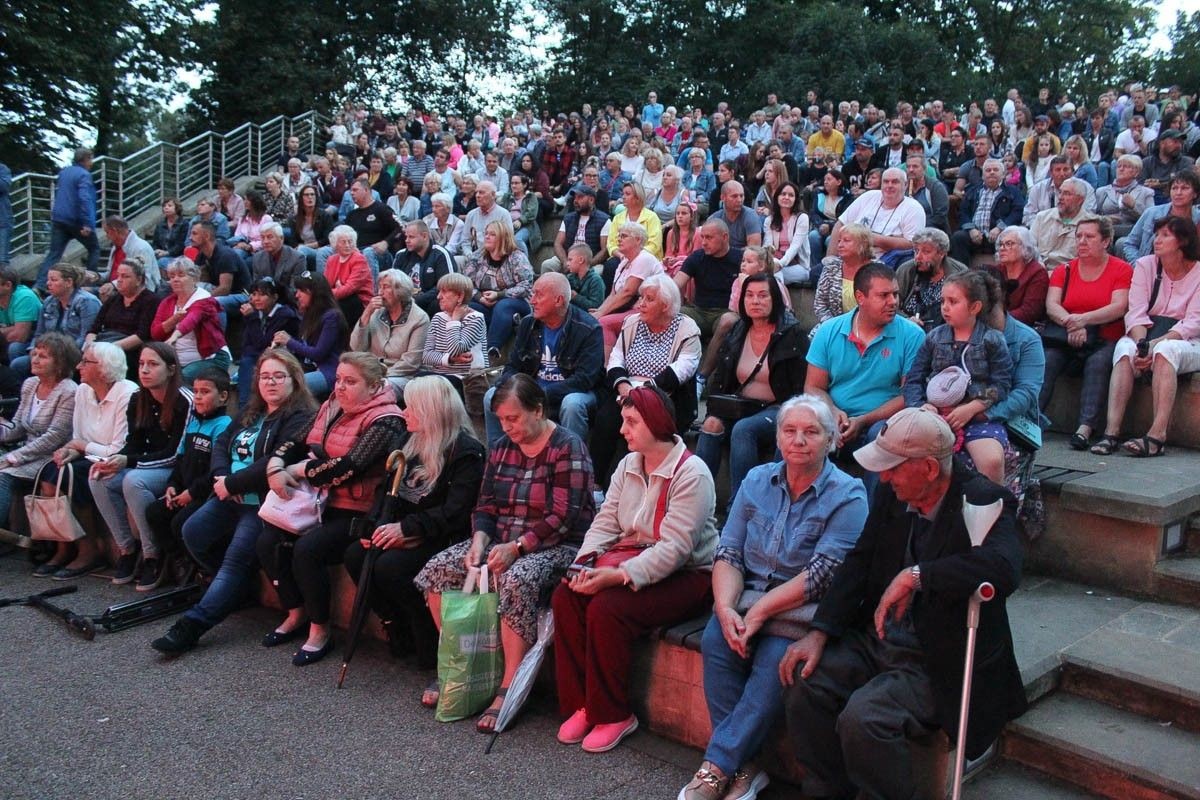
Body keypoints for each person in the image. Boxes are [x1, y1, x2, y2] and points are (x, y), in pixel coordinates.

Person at [781, 407, 1026, 800]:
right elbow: (860, 560)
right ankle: (826, 791)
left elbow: (1005, 568)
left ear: (929, 469)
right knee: (804, 680)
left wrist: (918, 575)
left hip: (938, 655)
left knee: (865, 718)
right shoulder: (893, 492)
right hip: (879, 637)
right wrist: (819, 631)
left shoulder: (983, 498)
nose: (883, 476)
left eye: (892, 468)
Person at [679, 396, 868, 800]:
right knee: (717, 639)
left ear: (832, 441)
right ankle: (746, 768)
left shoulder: (849, 495)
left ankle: (716, 768)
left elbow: (820, 577)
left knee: (774, 664)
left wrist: (760, 612)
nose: (798, 440)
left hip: (800, 612)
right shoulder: (756, 480)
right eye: (789, 430)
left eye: (811, 432)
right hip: (745, 601)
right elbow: (728, 551)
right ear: (778, 438)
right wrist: (725, 608)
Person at [415, 374, 595, 732]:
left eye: (513, 418)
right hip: (503, 539)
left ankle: (509, 684)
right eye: (500, 419)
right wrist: (480, 539)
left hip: (557, 545)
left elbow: (563, 516)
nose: (506, 426)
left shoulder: (566, 446)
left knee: (515, 579)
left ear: (538, 410)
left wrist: (517, 547)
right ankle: (461, 663)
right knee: (438, 571)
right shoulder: (501, 448)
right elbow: (486, 505)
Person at [554, 386, 717, 753]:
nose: (622, 430)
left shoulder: (692, 473)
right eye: (624, 421)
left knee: (608, 608)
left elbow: (676, 549)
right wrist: (583, 562)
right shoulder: (629, 464)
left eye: (631, 422)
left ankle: (614, 714)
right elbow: (607, 521)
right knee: (567, 595)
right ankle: (583, 704)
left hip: (688, 575)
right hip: (630, 558)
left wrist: (617, 577)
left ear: (656, 423)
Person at [150, 350, 318, 654]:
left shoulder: (301, 417)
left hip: (263, 504)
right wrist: (222, 476)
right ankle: (236, 588)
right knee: (192, 532)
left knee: (233, 563)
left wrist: (232, 483)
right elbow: (223, 443)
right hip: (230, 493)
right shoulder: (251, 410)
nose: (270, 382)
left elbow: (276, 460)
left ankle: (191, 626)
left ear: (294, 380)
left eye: (278, 376)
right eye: (265, 376)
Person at [258, 352, 405, 665]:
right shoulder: (331, 405)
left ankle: (319, 629)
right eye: (338, 379)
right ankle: (295, 612)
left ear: (375, 386)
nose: (340, 387)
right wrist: (276, 464)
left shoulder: (387, 419)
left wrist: (297, 471)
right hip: (317, 502)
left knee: (308, 550)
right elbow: (296, 441)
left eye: (350, 382)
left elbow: (348, 467)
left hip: (355, 510)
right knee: (267, 541)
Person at [343, 375, 486, 671]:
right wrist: (374, 526)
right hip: (401, 527)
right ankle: (393, 623)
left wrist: (408, 530)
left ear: (431, 410)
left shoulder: (466, 451)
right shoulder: (407, 440)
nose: (403, 413)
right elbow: (385, 492)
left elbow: (456, 512)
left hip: (438, 535)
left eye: (411, 407)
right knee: (356, 555)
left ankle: (426, 637)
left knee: (390, 567)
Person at [805, 263, 926, 498]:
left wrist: (862, 420)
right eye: (884, 295)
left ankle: (870, 523)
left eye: (895, 294)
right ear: (860, 297)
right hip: (836, 417)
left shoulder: (912, 335)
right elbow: (813, 386)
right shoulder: (829, 330)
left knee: (881, 436)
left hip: (883, 420)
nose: (893, 302)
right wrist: (832, 410)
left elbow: (909, 395)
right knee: (799, 427)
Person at [1091, 216, 1200, 458]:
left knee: (1166, 351)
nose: (1156, 240)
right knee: (1123, 348)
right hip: (1148, 334)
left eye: (1165, 235)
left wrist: (1153, 346)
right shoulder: (1145, 265)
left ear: (1182, 241)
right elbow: (1136, 312)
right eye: (1157, 234)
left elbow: (1193, 322)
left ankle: (1157, 435)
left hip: (1189, 341)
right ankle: (1111, 432)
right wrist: (1143, 347)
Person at [89, 343, 192, 589]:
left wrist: (129, 462)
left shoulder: (184, 400)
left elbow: (175, 453)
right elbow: (133, 444)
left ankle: (152, 555)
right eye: (142, 364)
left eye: (153, 364)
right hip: (149, 463)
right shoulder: (138, 399)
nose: (144, 370)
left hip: (175, 470)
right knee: (98, 476)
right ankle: (127, 549)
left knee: (133, 480)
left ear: (171, 369)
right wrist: (115, 461)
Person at [697, 272, 808, 500]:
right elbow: (721, 376)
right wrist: (714, 410)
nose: (755, 301)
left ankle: (740, 505)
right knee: (710, 424)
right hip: (742, 405)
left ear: (775, 299)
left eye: (762, 296)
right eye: (749, 295)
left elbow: (800, 385)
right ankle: (697, 500)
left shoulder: (792, 334)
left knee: (743, 429)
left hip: (778, 409)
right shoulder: (738, 330)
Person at [34, 341, 136, 578]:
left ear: (103, 367)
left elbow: (117, 449)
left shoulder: (127, 392)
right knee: (50, 472)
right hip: (88, 454)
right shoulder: (83, 390)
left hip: (116, 459)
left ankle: (88, 550)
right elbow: (78, 436)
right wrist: (70, 450)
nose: (78, 366)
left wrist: (80, 446)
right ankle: (64, 547)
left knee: (75, 475)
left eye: (85, 362)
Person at [591, 275, 701, 488]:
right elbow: (616, 358)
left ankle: (619, 488)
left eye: (649, 299)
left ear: (665, 305)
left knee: (637, 431)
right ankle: (595, 486)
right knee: (605, 420)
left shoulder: (687, 329)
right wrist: (623, 386)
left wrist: (641, 392)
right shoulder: (632, 322)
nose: (640, 304)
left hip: (665, 398)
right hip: (626, 393)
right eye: (641, 297)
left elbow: (682, 371)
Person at [903, 271, 1013, 484]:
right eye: (943, 301)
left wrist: (973, 407)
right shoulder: (934, 337)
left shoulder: (992, 340)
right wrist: (921, 405)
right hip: (934, 418)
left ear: (975, 307)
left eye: (953, 302)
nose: (945, 307)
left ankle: (991, 511)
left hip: (975, 418)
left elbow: (1002, 384)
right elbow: (914, 379)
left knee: (991, 461)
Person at [1039, 217, 1132, 450]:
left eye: (1089, 237)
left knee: (1099, 363)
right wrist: (1072, 323)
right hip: (1066, 336)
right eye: (1079, 236)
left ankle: (1085, 427)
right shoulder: (1064, 270)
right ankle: (1031, 420)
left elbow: (1118, 306)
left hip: (1105, 335)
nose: (1082, 241)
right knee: (1048, 359)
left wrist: (1083, 320)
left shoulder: (1121, 269)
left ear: (1106, 241)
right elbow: (1052, 305)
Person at [484, 272, 603, 443]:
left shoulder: (588, 328)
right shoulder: (528, 323)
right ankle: (497, 459)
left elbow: (584, 380)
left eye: (539, 295)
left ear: (558, 300)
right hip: (532, 391)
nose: (532, 301)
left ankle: (574, 460)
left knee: (572, 405)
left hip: (572, 391)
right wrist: (512, 387)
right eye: (533, 294)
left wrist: (537, 394)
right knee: (491, 396)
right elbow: (513, 366)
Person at [141, 368, 232, 583]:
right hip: (184, 490)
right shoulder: (193, 423)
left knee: (180, 523)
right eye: (196, 391)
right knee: (154, 512)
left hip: (204, 493)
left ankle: (205, 570)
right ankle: (180, 559)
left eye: (205, 392)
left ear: (223, 396)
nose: (198, 397)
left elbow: (215, 471)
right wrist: (172, 485)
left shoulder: (224, 425)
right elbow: (180, 460)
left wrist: (190, 493)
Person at [0, 333, 78, 534]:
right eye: (34, 354)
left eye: (43, 356)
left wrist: (15, 456)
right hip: (27, 451)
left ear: (60, 363)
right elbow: (17, 426)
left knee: (3, 476)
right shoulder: (30, 384)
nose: (34, 359)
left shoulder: (68, 391)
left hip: (51, 456)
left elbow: (55, 437)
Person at [12, 263, 101, 378]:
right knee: (16, 350)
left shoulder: (86, 302)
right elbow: (40, 333)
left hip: (72, 353)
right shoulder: (49, 302)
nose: (48, 283)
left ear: (69, 282)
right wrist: (34, 350)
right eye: (48, 279)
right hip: (48, 351)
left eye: (53, 280)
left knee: (19, 364)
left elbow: (85, 337)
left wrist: (56, 354)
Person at [151, 258, 231, 384]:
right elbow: (155, 333)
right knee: (152, 377)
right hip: (178, 362)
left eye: (181, 275)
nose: (175, 279)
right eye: (172, 276)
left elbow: (191, 319)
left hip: (212, 358)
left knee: (178, 380)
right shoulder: (167, 302)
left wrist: (174, 336)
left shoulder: (204, 299)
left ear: (194, 279)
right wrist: (174, 319)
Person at [350, 269, 429, 396]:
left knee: (377, 389)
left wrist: (378, 374)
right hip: (373, 372)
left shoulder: (419, 319)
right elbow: (356, 348)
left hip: (403, 376)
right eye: (379, 287)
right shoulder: (376, 312)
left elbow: (411, 363)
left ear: (400, 291)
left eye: (385, 287)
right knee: (345, 383)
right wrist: (366, 314)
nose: (380, 293)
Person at [463, 220, 534, 354]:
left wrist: (499, 294)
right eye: (486, 234)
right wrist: (479, 297)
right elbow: (466, 282)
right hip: (484, 301)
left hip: (514, 300)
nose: (487, 237)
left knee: (503, 306)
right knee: (467, 307)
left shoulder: (517, 257)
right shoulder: (478, 256)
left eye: (492, 234)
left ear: (503, 237)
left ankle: (492, 347)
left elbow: (526, 286)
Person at [831, 168, 925, 268]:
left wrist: (871, 238)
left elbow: (912, 243)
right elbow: (841, 223)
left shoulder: (914, 208)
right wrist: (831, 258)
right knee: (818, 272)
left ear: (905, 185)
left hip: (885, 263)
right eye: (886, 182)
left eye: (895, 182)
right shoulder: (868, 196)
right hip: (850, 256)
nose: (889, 185)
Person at [592, 223, 664, 351]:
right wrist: (599, 311)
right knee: (591, 320)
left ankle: (608, 368)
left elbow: (627, 292)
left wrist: (601, 314)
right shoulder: (624, 261)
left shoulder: (644, 258)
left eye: (624, 236)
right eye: (619, 235)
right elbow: (614, 294)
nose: (619, 239)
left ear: (638, 240)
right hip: (631, 308)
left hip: (650, 311)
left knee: (604, 323)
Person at [274, 271, 346, 399]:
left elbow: (318, 353)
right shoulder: (309, 314)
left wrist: (289, 341)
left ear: (313, 292)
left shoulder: (332, 316)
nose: (297, 295)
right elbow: (304, 345)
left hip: (329, 370)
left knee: (288, 387)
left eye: (301, 290)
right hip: (309, 367)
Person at [87, 257, 159, 380]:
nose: (119, 280)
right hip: (105, 342)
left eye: (125, 277)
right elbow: (94, 328)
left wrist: (110, 348)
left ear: (139, 280)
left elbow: (142, 335)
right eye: (118, 276)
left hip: (129, 348)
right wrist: (91, 345)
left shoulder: (151, 301)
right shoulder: (114, 299)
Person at [37, 148, 98, 291]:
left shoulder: (64, 172)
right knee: (94, 248)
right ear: (86, 159)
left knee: (54, 254)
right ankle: (89, 283)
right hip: (76, 220)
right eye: (91, 159)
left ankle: (39, 285)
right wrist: (88, 223)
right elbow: (84, 198)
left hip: (59, 219)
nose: (92, 163)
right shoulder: (84, 175)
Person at [948, 158, 1026, 265]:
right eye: (988, 170)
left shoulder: (1013, 191)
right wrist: (971, 229)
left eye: (995, 170)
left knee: (1010, 239)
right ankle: (962, 274)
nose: (992, 172)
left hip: (1000, 234)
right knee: (958, 237)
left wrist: (1000, 228)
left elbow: (1017, 212)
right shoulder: (973, 191)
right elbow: (963, 212)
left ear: (1003, 174)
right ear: (983, 176)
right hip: (975, 234)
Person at [236, 277, 299, 406]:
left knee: (249, 362)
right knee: (247, 360)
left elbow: (263, 343)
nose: (256, 299)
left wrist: (251, 318)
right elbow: (247, 344)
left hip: (283, 357)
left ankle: (246, 408)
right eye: (254, 294)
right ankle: (244, 409)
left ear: (275, 297)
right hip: (257, 356)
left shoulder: (285, 315)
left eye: (262, 294)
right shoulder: (256, 313)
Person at [811, 224, 879, 336]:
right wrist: (836, 326)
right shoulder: (831, 268)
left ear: (863, 244)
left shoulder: (878, 271)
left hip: (869, 328)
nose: (840, 245)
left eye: (846, 241)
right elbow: (820, 304)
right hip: (833, 326)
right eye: (839, 241)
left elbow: (881, 305)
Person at [895, 227, 968, 330]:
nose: (918, 257)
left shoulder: (959, 272)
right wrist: (906, 319)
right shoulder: (906, 270)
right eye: (916, 251)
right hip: (908, 329)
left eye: (926, 252)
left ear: (941, 253)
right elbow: (891, 304)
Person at [1121, 171, 1200, 263]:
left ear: (1195, 193)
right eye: (1174, 188)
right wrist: (1140, 265)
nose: (1178, 193)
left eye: (1184, 188)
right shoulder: (1151, 213)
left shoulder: (1198, 219)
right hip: (1149, 268)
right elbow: (1130, 244)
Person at [1030, 177, 1098, 269]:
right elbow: (1029, 248)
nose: (1060, 197)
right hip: (1040, 271)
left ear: (1080, 200)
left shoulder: (1090, 224)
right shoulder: (1041, 217)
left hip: (1070, 273)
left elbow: (1088, 260)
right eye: (1060, 192)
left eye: (1067, 194)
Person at [322, 224, 374, 326]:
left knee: (342, 302)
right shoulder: (332, 260)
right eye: (343, 242)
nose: (347, 245)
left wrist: (326, 295)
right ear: (335, 244)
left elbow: (349, 288)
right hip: (338, 299)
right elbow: (325, 285)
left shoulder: (359, 259)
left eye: (350, 241)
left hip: (359, 302)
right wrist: (326, 293)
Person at [1093, 154, 1155, 239]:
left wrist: (1134, 206)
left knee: (1121, 243)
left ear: (1136, 172)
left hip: (1132, 234)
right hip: (1105, 232)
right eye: (1119, 166)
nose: (1121, 169)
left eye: (1126, 166)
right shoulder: (1102, 191)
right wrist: (1104, 219)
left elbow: (1151, 219)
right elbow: (1091, 215)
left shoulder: (1146, 192)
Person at [98, 215, 161, 296]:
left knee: (106, 295)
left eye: (107, 232)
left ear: (115, 231)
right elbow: (109, 274)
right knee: (87, 291)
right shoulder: (115, 247)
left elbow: (143, 279)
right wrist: (95, 276)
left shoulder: (141, 248)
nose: (106, 237)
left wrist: (113, 285)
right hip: (116, 287)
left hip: (139, 293)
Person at [764, 181, 811, 285]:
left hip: (799, 266)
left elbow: (795, 246)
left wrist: (780, 264)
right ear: (777, 197)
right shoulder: (769, 220)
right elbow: (768, 246)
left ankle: (781, 301)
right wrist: (772, 263)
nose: (786, 197)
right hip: (775, 263)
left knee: (775, 276)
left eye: (791, 195)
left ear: (796, 199)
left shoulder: (802, 218)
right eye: (783, 194)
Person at [808, 169, 852, 265]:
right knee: (813, 236)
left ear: (839, 182)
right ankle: (814, 267)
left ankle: (829, 268)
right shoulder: (819, 194)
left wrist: (830, 226)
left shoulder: (847, 198)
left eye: (829, 179)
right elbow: (813, 213)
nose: (825, 182)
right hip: (820, 226)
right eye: (824, 180)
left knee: (830, 240)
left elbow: (845, 217)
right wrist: (821, 225)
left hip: (837, 229)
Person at [288, 186, 336, 266]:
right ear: (301, 198)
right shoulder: (294, 219)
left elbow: (327, 239)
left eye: (312, 194)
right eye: (306, 195)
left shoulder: (325, 216)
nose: (310, 197)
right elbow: (293, 241)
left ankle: (320, 278)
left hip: (322, 249)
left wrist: (307, 246)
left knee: (302, 250)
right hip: (303, 249)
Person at [502, 173, 540, 257]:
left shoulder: (530, 197)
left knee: (517, 240)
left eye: (516, 183)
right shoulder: (507, 197)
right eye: (512, 183)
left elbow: (531, 214)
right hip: (508, 226)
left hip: (526, 226)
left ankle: (525, 266)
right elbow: (501, 211)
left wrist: (520, 220)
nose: (513, 186)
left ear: (524, 184)